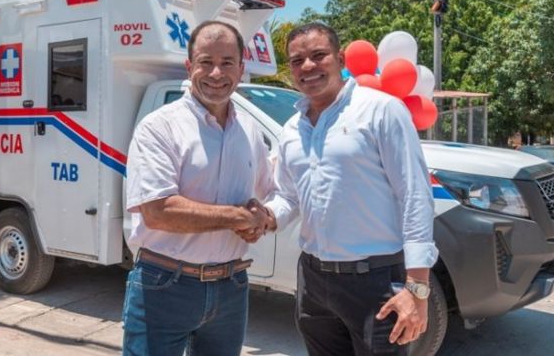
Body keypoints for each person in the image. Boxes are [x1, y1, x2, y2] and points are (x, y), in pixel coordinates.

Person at [262, 22, 438, 355]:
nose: (308, 66)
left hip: (375, 281)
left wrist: (417, 288)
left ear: (340, 58)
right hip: (313, 281)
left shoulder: (381, 110)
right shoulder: (291, 130)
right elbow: (288, 196)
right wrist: (265, 217)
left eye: (318, 55)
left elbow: (415, 196)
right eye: (298, 60)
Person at [122, 21, 274, 356]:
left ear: (241, 69)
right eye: (206, 62)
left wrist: (263, 217)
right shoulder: (159, 127)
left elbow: (271, 193)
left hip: (232, 287)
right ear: (189, 66)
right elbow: (159, 211)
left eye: (227, 62)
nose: (216, 73)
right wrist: (240, 217)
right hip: (164, 285)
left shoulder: (249, 130)